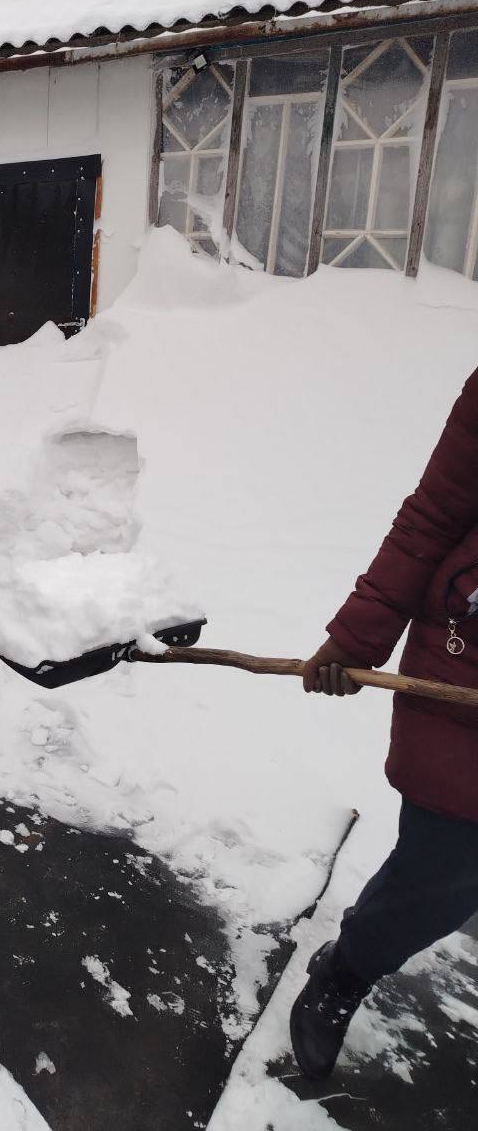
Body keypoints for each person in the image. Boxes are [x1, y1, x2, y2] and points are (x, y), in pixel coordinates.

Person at [291, 368, 478, 1080]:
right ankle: (346, 970)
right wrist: (356, 639)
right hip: (465, 667)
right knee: (441, 873)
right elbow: (433, 515)